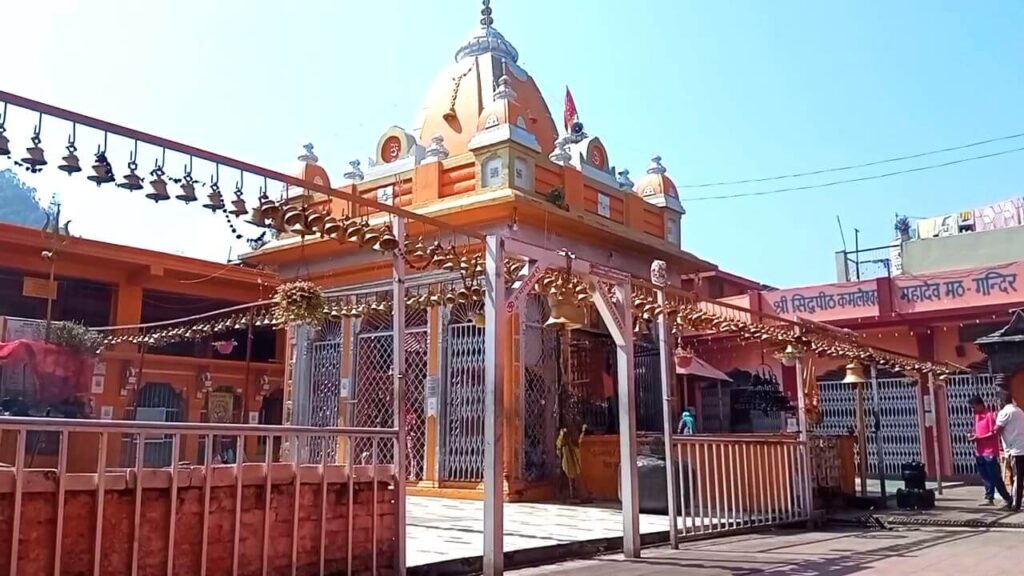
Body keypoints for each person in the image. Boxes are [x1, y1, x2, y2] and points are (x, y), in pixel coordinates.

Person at [967, 395, 1012, 506]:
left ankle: (1007, 498)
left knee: (995, 476)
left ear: (980, 405)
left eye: (974, 407)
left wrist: (979, 437)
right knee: (985, 476)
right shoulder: (977, 416)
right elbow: (977, 431)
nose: (973, 409)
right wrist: (973, 436)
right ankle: (989, 497)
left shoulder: (990, 416)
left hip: (990, 451)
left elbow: (993, 433)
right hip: (980, 451)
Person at [994, 390, 1024, 511]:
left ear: (1001, 401)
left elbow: (997, 430)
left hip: (1015, 450)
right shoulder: (1019, 410)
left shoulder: (1004, 412)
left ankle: (1015, 503)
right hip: (1021, 447)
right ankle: (1015, 500)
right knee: (1019, 476)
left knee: (1016, 477)